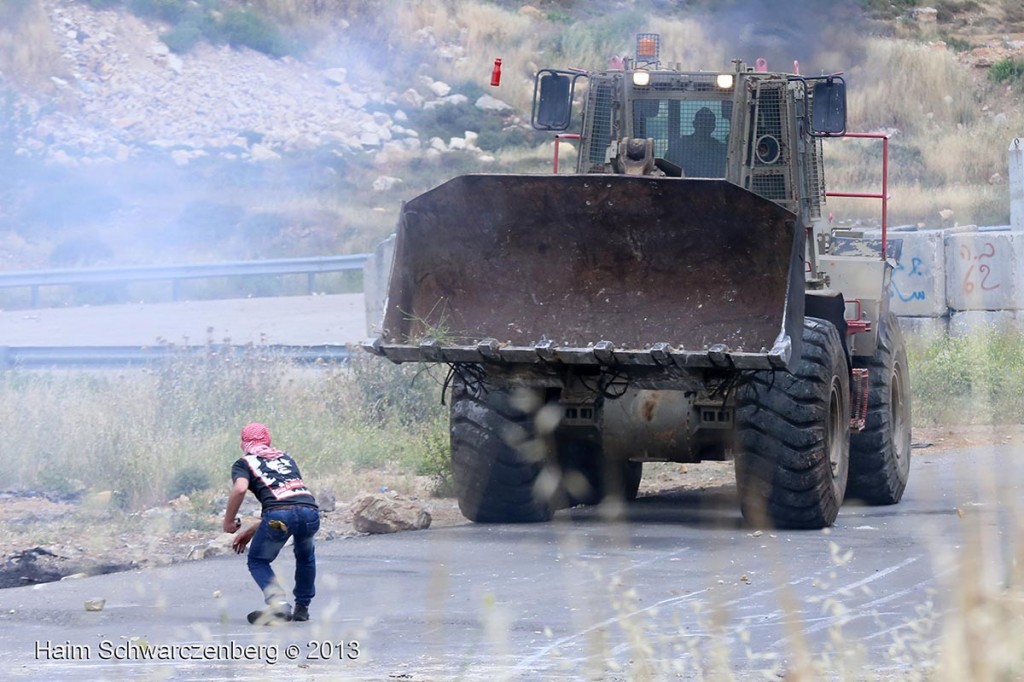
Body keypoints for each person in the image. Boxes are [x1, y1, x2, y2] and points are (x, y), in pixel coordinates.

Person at [223, 422, 320, 624]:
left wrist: (229, 521)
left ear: (244, 443)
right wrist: (251, 531)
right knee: (305, 556)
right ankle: (302, 607)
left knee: (258, 560)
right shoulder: (286, 459)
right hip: (309, 512)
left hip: (279, 519)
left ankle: (279, 605)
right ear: (268, 439)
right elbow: (290, 502)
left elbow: (240, 489)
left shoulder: (244, 463)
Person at [666, 106, 727, 178]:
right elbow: (666, 174)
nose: (704, 126)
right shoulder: (677, 148)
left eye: (707, 124)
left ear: (713, 127)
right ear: (694, 124)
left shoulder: (721, 151)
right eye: (701, 123)